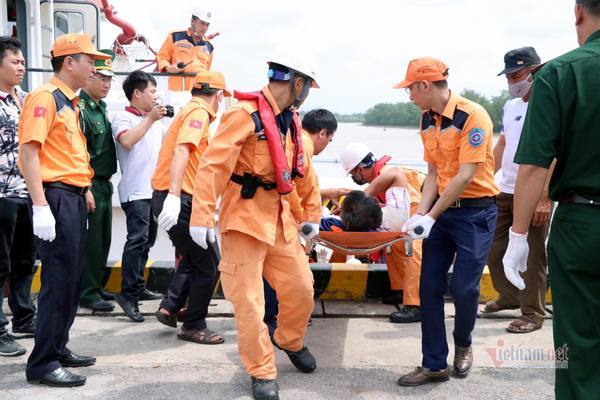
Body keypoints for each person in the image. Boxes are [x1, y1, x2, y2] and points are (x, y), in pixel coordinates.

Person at [189, 58, 321, 400]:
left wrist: (312, 217)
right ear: (297, 83)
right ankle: (262, 370)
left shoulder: (291, 123)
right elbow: (212, 165)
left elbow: (303, 174)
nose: (307, 93)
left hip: (281, 219)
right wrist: (201, 215)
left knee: (302, 288)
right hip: (243, 219)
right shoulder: (242, 114)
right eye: (307, 85)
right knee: (249, 303)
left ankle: (289, 340)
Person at [502, 1, 600, 397]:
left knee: (576, 348)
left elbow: (532, 166)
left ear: (579, 11)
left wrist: (518, 236)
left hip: (584, 223)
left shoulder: (561, 73)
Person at [393, 57, 499, 386]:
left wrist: (431, 215)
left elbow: (466, 175)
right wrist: (420, 216)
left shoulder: (472, 116)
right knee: (429, 288)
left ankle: (463, 345)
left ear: (426, 85)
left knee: (465, 288)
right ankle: (434, 363)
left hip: (475, 213)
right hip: (441, 213)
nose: (409, 95)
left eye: (410, 88)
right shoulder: (427, 119)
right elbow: (434, 174)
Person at [19, 33, 110, 387]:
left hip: (71, 196)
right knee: (58, 281)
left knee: (71, 279)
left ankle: (58, 346)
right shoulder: (45, 98)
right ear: (69, 62)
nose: (94, 67)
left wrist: (84, 188)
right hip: (54, 198)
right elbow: (30, 152)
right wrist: (41, 205)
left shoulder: (70, 102)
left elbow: (66, 154)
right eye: (89, 60)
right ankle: (42, 362)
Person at [151, 71, 231, 344]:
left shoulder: (189, 110)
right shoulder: (199, 114)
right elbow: (182, 151)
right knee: (209, 264)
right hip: (180, 199)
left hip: (184, 199)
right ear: (218, 96)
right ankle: (193, 324)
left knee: (197, 258)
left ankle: (173, 307)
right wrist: (174, 195)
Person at [481, 47, 552, 334]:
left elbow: (555, 154)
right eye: (508, 76)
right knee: (492, 250)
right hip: (504, 190)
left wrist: (545, 197)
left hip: (534, 193)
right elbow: (502, 145)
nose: (512, 82)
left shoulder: (548, 105)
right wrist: (486, 177)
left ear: (534, 73)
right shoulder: (511, 107)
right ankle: (509, 296)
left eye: (517, 75)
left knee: (531, 256)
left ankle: (533, 312)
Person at [263, 108, 339, 335]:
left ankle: (275, 317)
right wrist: (303, 219)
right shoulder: (303, 148)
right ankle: (275, 320)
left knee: (273, 271)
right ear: (322, 133)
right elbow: (295, 187)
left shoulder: (294, 143)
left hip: (279, 215)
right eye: (330, 140)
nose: (327, 145)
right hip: (286, 218)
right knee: (286, 274)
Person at [339, 142, 425, 323]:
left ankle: (415, 305)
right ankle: (401, 291)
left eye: (353, 173)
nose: (354, 177)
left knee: (413, 247)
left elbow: (414, 207)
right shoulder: (381, 179)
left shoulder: (389, 173)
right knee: (394, 242)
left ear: (360, 169)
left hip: (424, 212)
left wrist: (361, 200)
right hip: (414, 213)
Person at [112, 71, 166, 322]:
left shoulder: (152, 120)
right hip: (135, 191)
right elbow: (127, 142)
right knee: (137, 240)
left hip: (153, 191)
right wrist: (151, 120)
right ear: (137, 93)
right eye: (152, 91)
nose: (156, 96)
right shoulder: (123, 117)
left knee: (147, 241)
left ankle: (138, 286)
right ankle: (128, 294)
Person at [0, 36, 36, 357]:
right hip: (1, 193)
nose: (21, 66)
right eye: (15, 61)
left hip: (27, 191)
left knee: (26, 259)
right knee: (0, 264)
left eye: (23, 61)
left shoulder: (25, 99)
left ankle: (24, 316)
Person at [78, 49, 118, 312]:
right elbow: (79, 151)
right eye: (101, 77)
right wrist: (85, 188)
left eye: (109, 79)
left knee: (103, 240)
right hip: (91, 185)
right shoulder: (81, 109)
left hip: (104, 183)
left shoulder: (100, 108)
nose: (106, 83)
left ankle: (96, 285)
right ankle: (87, 292)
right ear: (90, 76)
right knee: (91, 242)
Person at [156, 9, 218, 91]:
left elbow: (207, 70)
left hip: (197, 95)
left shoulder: (209, 47)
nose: (205, 28)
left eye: (207, 25)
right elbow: (162, 57)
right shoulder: (175, 36)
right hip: (176, 92)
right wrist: (169, 68)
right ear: (192, 21)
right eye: (202, 23)